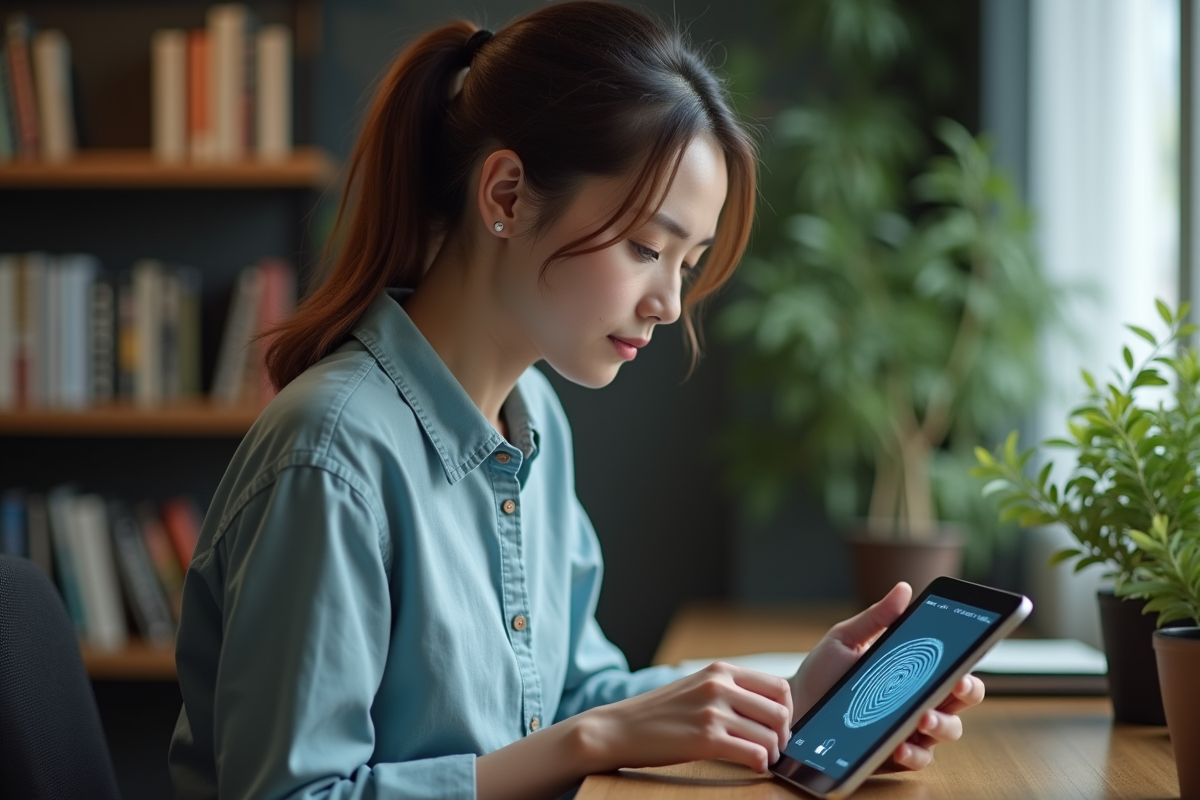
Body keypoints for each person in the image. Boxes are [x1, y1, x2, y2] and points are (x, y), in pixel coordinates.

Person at [167, 3, 984, 798]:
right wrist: (592, 741)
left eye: (687, 264)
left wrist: (798, 695)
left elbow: (565, 694)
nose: (668, 301)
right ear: (507, 196)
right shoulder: (332, 458)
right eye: (644, 247)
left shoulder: (533, 423)